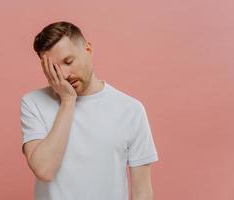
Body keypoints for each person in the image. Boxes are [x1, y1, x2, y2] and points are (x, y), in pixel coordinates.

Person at [20, 21, 159, 200]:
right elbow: (44, 170)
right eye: (54, 69)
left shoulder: (131, 110)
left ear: (88, 50)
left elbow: (142, 191)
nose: (63, 75)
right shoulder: (33, 103)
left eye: (68, 61)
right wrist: (68, 101)